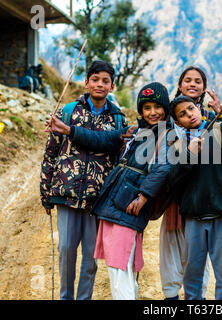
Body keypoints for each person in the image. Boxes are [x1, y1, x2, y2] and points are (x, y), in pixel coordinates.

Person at [48, 82, 173, 300]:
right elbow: (102, 139)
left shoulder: (166, 135)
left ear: (166, 108)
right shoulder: (138, 132)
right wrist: (69, 130)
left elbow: (163, 168)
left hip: (128, 208)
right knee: (122, 272)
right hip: (116, 208)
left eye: (158, 107)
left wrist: (144, 196)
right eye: (147, 108)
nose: (153, 112)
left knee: (120, 272)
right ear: (141, 111)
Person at [40, 60, 127, 300]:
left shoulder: (118, 119)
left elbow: (120, 160)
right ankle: (66, 297)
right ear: (86, 82)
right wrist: (45, 192)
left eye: (105, 81)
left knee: (90, 257)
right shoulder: (67, 112)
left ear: (112, 86)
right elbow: (51, 152)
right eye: (95, 79)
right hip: (65, 194)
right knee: (66, 250)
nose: (100, 84)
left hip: (97, 198)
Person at [166, 94, 222, 300]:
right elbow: (172, 181)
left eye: (191, 109)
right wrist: (190, 155)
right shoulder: (177, 144)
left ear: (198, 107)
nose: (189, 115)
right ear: (178, 122)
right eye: (182, 115)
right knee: (193, 273)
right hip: (194, 218)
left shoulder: (219, 128)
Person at [160, 66, 220, 300]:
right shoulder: (167, 118)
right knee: (171, 246)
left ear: (204, 87)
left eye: (198, 81)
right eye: (187, 80)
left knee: (199, 250)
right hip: (175, 193)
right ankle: (171, 295)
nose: (193, 84)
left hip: (202, 195)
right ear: (180, 84)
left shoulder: (212, 119)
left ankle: (197, 296)